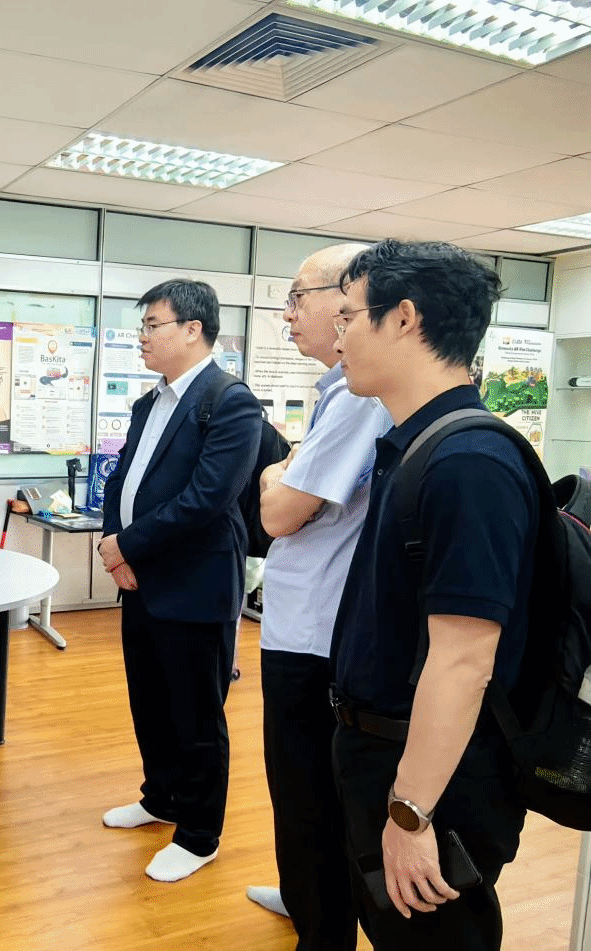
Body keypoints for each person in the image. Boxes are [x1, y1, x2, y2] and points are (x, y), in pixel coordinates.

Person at [330, 240, 537, 950]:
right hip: (384, 754)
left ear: (404, 318)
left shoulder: (469, 462)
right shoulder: (416, 444)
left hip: (435, 779)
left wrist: (411, 812)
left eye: (349, 316)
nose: (338, 336)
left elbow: (464, 659)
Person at [244, 243, 390, 950]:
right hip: (302, 621)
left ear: (347, 300)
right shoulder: (336, 389)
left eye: (298, 297)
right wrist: (286, 471)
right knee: (296, 788)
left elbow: (280, 511)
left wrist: (278, 474)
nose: (288, 314)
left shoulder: (361, 397)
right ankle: (305, 893)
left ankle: (320, 925)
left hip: (316, 634)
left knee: (306, 792)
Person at [97, 278, 262, 882]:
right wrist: (116, 548)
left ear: (193, 330)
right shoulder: (151, 401)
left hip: (195, 585)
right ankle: (160, 798)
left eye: (153, 325)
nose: (141, 337)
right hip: (139, 579)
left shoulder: (230, 401)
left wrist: (126, 545)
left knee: (196, 716)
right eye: (142, 326)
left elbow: (207, 499)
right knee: (150, 701)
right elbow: (122, 480)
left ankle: (198, 834)